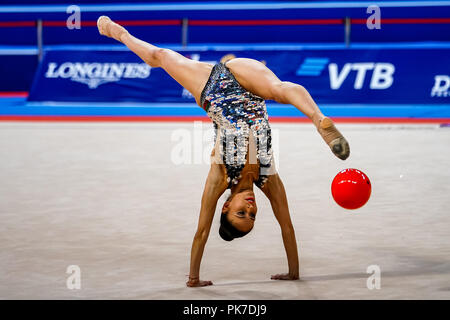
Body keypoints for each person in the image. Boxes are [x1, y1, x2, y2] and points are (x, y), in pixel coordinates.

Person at [97, 16, 350, 287]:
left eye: (241, 213)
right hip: (249, 89)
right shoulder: (268, 178)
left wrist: (193, 278)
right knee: (278, 89)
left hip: (215, 87)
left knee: (159, 56)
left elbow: (202, 230)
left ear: (226, 205)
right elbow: (286, 227)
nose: (250, 210)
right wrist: (293, 273)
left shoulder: (220, 176)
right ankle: (318, 118)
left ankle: (120, 33)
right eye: (252, 216)